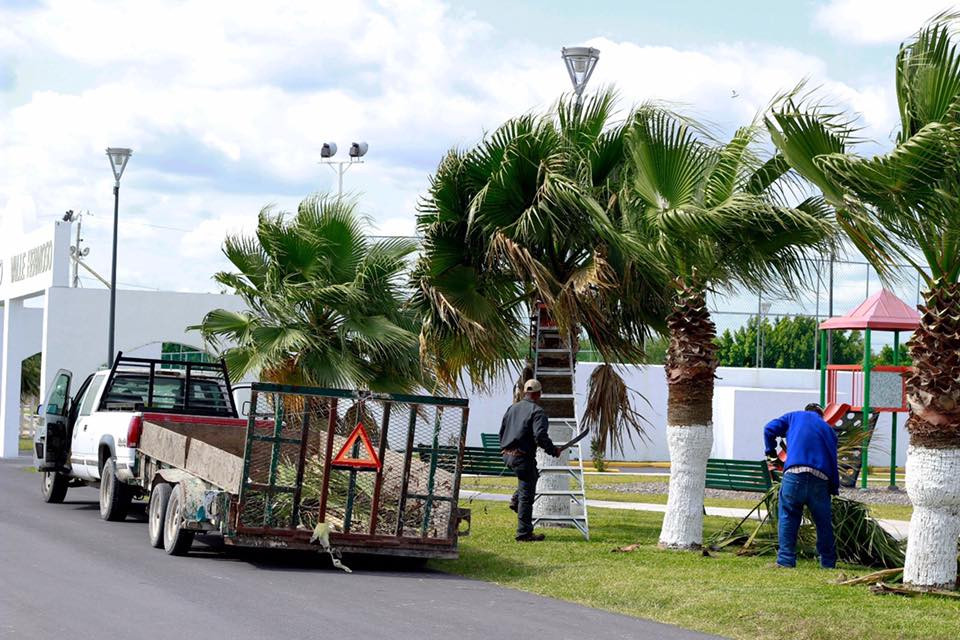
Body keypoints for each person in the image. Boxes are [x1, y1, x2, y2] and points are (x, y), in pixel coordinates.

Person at [763, 402, 840, 569]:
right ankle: (827, 563)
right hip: (820, 479)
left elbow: (769, 429)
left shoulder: (793, 416)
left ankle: (785, 560)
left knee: (788, 516)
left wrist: (771, 452)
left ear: (806, 411)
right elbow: (833, 462)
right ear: (821, 415)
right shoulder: (828, 430)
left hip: (794, 475)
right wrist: (834, 487)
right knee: (823, 522)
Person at [499, 378, 563, 542]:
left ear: (525, 392)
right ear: (538, 394)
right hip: (522, 457)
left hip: (507, 455)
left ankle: (516, 500)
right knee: (527, 496)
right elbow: (540, 436)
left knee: (531, 477)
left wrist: (506, 450)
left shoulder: (512, 408)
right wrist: (553, 450)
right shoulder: (537, 412)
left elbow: (502, 431)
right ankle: (524, 533)